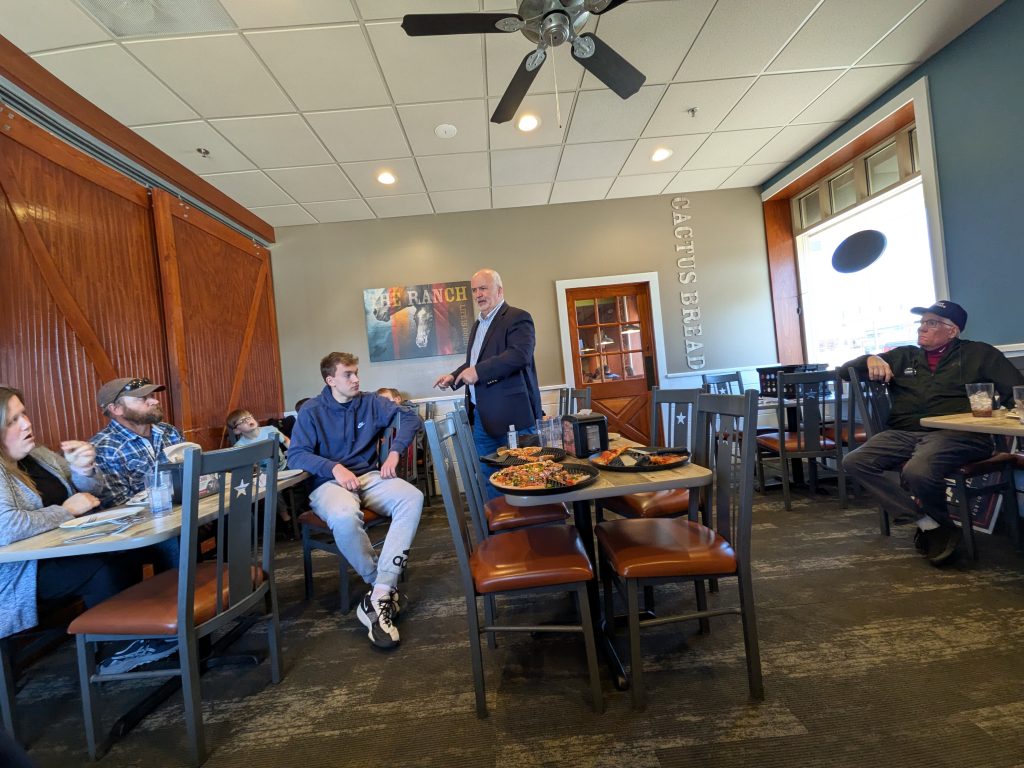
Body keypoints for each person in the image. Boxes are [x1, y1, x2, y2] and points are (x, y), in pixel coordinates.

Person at [842, 301, 1024, 566]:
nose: (922, 328)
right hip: (903, 433)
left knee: (917, 470)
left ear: (952, 331)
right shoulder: (903, 356)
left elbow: (1016, 390)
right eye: (922, 322)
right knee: (855, 461)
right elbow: (844, 372)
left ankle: (934, 526)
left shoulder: (980, 354)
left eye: (932, 323)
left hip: (957, 434)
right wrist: (870, 358)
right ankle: (931, 525)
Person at [288, 352, 423, 650]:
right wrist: (333, 467)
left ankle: (381, 591)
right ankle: (380, 585)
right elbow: (295, 455)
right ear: (330, 380)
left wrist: (396, 450)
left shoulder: (370, 401)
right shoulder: (312, 410)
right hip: (328, 483)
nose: (356, 379)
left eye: (356, 372)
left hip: (368, 477)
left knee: (412, 497)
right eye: (348, 374)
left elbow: (411, 415)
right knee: (345, 515)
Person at [0, 386, 144, 643]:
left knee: (127, 553)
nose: (26, 423)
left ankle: (140, 632)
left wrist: (83, 469)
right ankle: (117, 647)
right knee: (102, 567)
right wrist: (66, 511)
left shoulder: (38, 455)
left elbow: (90, 492)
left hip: (64, 551)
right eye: (13, 420)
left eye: (24, 414)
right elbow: (8, 527)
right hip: (21, 572)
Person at [433, 268, 542, 498]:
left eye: (483, 288)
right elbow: (473, 362)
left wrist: (479, 372)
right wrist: (454, 377)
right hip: (482, 417)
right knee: (489, 477)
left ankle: (526, 531)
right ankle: (499, 529)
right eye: (474, 290)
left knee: (524, 477)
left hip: (513, 417)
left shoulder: (517, 317)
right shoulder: (477, 325)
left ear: (499, 290)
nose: (478, 294)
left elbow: (519, 355)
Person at [89, 377, 183, 508]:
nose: (155, 401)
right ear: (116, 409)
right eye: (142, 398)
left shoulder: (169, 431)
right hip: (149, 524)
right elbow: (120, 508)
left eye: (152, 396)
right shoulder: (103, 448)